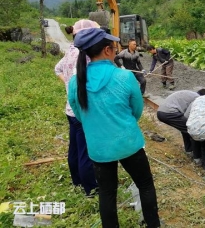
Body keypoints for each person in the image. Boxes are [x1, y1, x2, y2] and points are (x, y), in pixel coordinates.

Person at [68, 28, 160, 228]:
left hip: (98, 148)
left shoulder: (75, 82)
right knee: (145, 185)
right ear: (108, 51)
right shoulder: (125, 77)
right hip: (128, 143)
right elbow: (136, 111)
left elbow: (79, 113)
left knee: (107, 193)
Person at [54, 19, 99, 197]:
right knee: (85, 152)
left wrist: (68, 85)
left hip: (70, 109)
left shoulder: (70, 51)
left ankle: (77, 182)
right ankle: (90, 188)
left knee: (74, 148)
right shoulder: (85, 55)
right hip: (82, 112)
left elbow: (57, 69)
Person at [157, 89, 205, 164]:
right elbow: (186, 116)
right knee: (193, 131)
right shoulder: (197, 98)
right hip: (169, 112)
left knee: (185, 128)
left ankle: (189, 150)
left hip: (161, 111)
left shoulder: (190, 94)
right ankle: (197, 158)